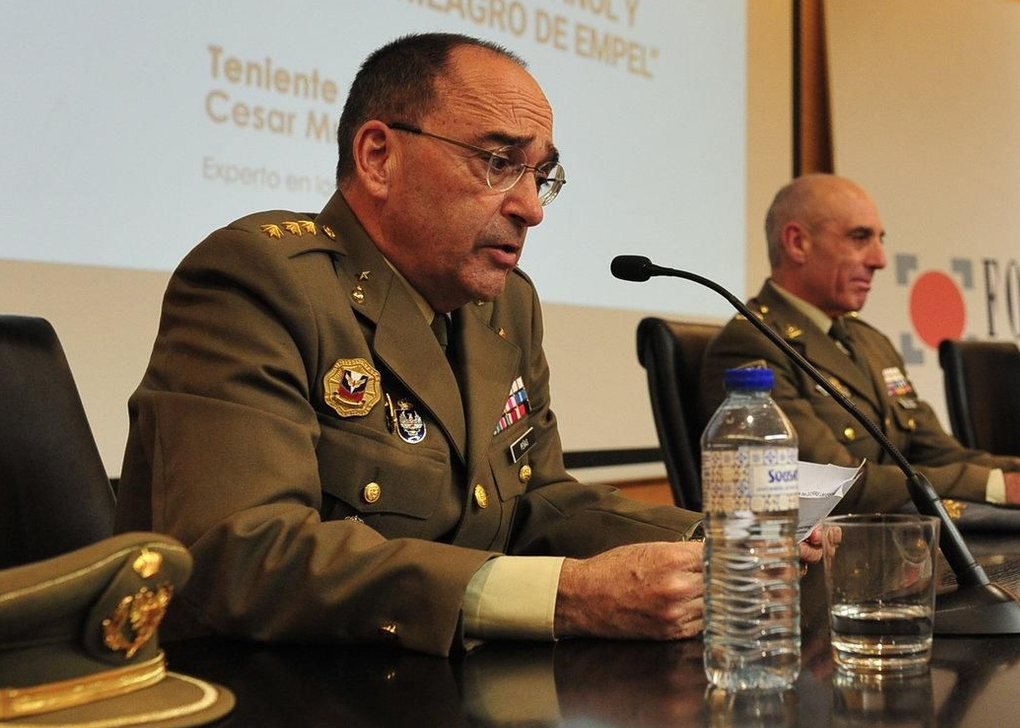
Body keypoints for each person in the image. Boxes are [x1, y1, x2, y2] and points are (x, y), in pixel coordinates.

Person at [118, 33, 712, 656]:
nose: (532, 208)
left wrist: (717, 540)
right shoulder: (262, 279)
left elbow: (540, 503)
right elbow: (243, 552)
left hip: (439, 695)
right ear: (378, 157)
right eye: (498, 162)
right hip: (272, 710)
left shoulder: (507, 306)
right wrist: (566, 595)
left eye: (541, 175)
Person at [699, 175, 1020, 514]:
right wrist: (1014, 487)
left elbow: (939, 453)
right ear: (798, 243)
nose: (880, 259)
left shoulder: (869, 341)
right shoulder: (751, 343)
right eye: (860, 237)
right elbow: (832, 486)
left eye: (881, 239)